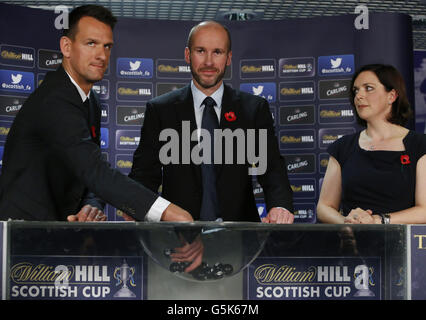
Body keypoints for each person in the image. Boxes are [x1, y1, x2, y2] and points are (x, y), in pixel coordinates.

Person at [0, 5, 192, 223]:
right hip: (21, 234)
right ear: (67, 47)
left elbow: (84, 168)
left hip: (55, 232)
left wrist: (90, 204)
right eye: (91, 43)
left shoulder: (90, 99)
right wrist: (167, 212)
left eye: (107, 46)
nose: (101, 55)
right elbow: (94, 170)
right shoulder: (55, 99)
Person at [129, 21, 294, 223]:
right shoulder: (161, 110)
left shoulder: (253, 109)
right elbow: (145, 175)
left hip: (239, 237)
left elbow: (271, 169)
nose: (208, 61)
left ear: (228, 58)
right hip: (178, 238)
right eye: (201, 51)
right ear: (188, 55)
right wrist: (135, 205)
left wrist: (280, 206)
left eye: (217, 52)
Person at [317, 64, 426, 224]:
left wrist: (378, 220)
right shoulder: (343, 147)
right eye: (356, 90)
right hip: (351, 244)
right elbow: (324, 207)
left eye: (368, 88)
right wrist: (348, 222)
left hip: (402, 244)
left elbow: (424, 211)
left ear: (392, 96)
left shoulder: (419, 145)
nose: (359, 96)